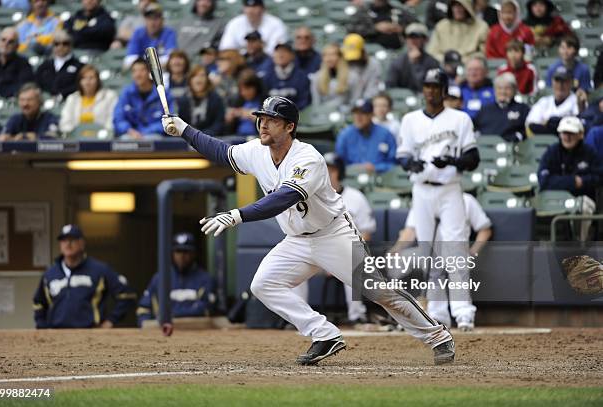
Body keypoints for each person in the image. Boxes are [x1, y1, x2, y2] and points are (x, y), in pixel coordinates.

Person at [160, 95, 456, 366]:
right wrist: (185, 129)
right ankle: (324, 333)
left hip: (333, 234)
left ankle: (438, 337)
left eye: (271, 119)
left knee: (379, 292)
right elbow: (222, 152)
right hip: (297, 240)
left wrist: (238, 214)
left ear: (289, 127)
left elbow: (284, 197)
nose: (263, 124)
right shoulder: (256, 150)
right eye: (261, 118)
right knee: (263, 285)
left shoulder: (308, 158)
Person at [396, 68, 480, 331]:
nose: (431, 90)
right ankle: (438, 312)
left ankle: (463, 312)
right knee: (427, 252)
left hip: (449, 188)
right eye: (427, 86)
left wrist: (453, 161)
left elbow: (473, 158)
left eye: (436, 86)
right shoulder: (410, 119)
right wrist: (411, 163)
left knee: (455, 250)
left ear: (444, 90)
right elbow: (402, 156)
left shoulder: (460, 119)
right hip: (421, 190)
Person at [293, 153, 376, 325]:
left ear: (340, 173)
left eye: (331, 170)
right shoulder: (310, 196)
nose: (327, 174)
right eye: (323, 170)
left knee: (354, 263)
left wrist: (339, 258)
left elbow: (366, 232)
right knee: (294, 269)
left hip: (345, 251)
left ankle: (357, 316)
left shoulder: (355, 197)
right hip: (315, 252)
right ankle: (298, 319)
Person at [390, 192, 492, 328]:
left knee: (456, 264)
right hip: (431, 251)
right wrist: (396, 249)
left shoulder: (466, 199)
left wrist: (474, 251)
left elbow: (485, 229)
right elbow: (410, 231)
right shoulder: (422, 199)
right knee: (430, 270)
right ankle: (437, 316)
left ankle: (464, 315)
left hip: (456, 250)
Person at [33, 224, 137, 329]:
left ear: (82, 243)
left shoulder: (99, 269)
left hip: (90, 333)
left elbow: (127, 295)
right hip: (57, 333)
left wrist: (111, 321)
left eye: (72, 240)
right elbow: (39, 303)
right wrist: (43, 327)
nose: (68, 244)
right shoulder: (50, 273)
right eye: (64, 240)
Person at [538, 117, 601, 240]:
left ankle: (579, 245)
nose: (567, 137)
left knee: (584, 206)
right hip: (554, 199)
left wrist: (583, 181)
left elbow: (599, 176)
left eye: (571, 133)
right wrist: (573, 181)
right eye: (564, 133)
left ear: (580, 134)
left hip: (581, 198)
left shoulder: (589, 152)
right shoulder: (552, 152)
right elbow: (544, 181)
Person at [137, 232, 216, 326]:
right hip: (163, 333)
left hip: (194, 331)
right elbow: (143, 309)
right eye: (178, 251)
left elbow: (205, 309)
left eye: (186, 252)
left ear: (193, 254)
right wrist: (146, 325)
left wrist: (170, 315)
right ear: (172, 253)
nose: (181, 256)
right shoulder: (159, 278)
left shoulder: (205, 279)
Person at [113, 58, 172, 138]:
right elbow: (118, 118)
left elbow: (170, 119)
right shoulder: (126, 93)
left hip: (155, 134)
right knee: (125, 139)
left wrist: (144, 132)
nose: (138, 74)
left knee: (153, 138)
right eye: (134, 71)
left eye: (142, 70)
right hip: (131, 134)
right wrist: (129, 130)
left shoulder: (163, 93)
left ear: (149, 72)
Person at [335, 99, 397, 173]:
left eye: (363, 113)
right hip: (351, 178)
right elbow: (339, 162)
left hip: (381, 179)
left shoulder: (385, 134)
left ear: (371, 115)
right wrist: (355, 167)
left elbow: (393, 162)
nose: (358, 117)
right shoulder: (345, 134)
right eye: (355, 113)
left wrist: (376, 167)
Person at [59, 64, 118, 136]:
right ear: (79, 81)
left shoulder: (109, 96)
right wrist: (74, 134)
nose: (87, 82)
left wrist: (104, 135)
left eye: (91, 78)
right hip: (77, 139)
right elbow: (65, 122)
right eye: (84, 78)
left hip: (101, 139)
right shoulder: (72, 98)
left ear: (98, 80)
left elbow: (111, 120)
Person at [473, 72, 530, 142]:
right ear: (494, 90)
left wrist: (518, 137)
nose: (503, 92)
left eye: (507, 88)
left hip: (512, 148)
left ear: (514, 90)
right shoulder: (485, 109)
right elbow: (475, 128)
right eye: (499, 88)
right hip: (485, 148)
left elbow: (527, 130)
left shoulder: (523, 109)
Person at [219, 0, 288, 56]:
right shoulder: (234, 23)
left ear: (263, 9)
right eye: (248, 7)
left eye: (255, 7)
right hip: (241, 61)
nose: (251, 11)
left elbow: (277, 50)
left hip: (267, 61)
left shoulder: (276, 24)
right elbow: (226, 48)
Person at [385, 23, 440, 92]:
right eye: (410, 36)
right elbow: (390, 87)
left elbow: (432, 89)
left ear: (425, 40)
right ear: (405, 39)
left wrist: (416, 65)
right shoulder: (397, 62)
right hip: (401, 99)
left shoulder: (433, 63)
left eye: (417, 37)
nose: (413, 40)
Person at [526, 66, 580, 136]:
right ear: (552, 82)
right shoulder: (544, 102)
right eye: (557, 80)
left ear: (571, 83)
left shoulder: (577, 101)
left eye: (564, 81)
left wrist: (546, 123)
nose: (560, 85)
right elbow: (531, 125)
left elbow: (576, 125)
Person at [346, 0, 418, 50]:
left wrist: (401, 28)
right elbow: (351, 29)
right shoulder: (364, 10)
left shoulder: (397, 10)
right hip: (370, 51)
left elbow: (417, 26)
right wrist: (375, 28)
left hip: (398, 50)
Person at [123, 3, 177, 69]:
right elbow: (129, 60)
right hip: (143, 73)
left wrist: (143, 62)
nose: (152, 23)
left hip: (163, 73)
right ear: (145, 20)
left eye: (156, 18)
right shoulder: (138, 33)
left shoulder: (169, 33)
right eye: (149, 18)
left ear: (162, 20)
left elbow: (171, 59)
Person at [177, 65, 225, 137]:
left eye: (202, 75)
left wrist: (202, 136)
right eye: (195, 76)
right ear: (190, 80)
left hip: (211, 139)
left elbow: (219, 123)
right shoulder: (183, 100)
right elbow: (180, 122)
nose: (199, 79)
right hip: (187, 138)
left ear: (207, 80)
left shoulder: (216, 99)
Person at [34, 30, 84, 99]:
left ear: (71, 45)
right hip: (46, 100)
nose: (60, 47)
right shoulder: (44, 65)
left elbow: (79, 85)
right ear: (52, 46)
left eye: (65, 43)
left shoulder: (79, 65)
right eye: (56, 44)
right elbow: (36, 83)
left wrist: (62, 94)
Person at [263, 43, 310, 110]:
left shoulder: (301, 76)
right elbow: (262, 101)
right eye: (278, 52)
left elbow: (304, 101)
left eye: (284, 51)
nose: (280, 55)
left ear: (292, 55)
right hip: (271, 117)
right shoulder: (267, 76)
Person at [0, 27, 35, 98]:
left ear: (17, 46)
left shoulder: (24, 65)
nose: (6, 44)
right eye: (3, 40)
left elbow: (23, 89)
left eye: (10, 42)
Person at [310, 43, 355, 108]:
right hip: (324, 114)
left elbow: (354, 100)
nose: (329, 59)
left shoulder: (352, 76)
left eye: (333, 55)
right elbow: (316, 103)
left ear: (340, 57)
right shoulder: (316, 78)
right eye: (326, 55)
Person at [342, 34, 382, 102]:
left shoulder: (373, 64)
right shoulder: (343, 62)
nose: (353, 60)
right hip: (347, 101)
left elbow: (373, 87)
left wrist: (363, 102)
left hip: (368, 101)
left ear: (362, 50)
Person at [225, 69, 265, 137]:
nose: (244, 93)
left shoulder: (264, 101)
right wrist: (229, 119)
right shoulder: (238, 101)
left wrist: (254, 117)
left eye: (248, 89)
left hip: (257, 137)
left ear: (256, 87)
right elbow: (228, 128)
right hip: (237, 138)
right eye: (241, 90)